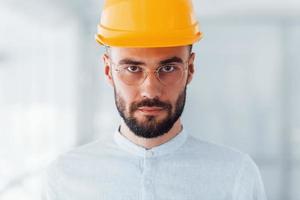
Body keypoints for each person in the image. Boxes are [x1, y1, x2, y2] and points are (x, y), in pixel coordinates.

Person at [44, 0, 267, 199]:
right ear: (108, 70)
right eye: (133, 68)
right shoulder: (65, 177)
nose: (150, 90)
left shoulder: (236, 175)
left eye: (168, 68)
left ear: (190, 69)